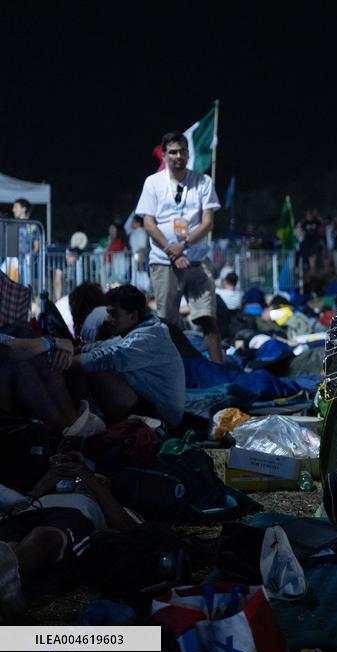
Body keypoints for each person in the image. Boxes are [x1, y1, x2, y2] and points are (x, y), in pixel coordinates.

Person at [0, 451, 139, 620]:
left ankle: (9, 592)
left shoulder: (107, 506)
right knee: (7, 548)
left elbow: (132, 530)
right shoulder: (51, 495)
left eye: (99, 481)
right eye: (80, 480)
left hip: (71, 517)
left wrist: (91, 479)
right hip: (29, 514)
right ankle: (9, 590)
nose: (83, 482)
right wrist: (46, 481)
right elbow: (19, 507)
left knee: (42, 537)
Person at [136, 131, 224, 364]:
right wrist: (172, 251)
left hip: (196, 260)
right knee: (168, 323)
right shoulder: (153, 182)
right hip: (164, 262)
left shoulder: (203, 181)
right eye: (173, 152)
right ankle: (173, 370)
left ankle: (220, 370)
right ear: (164, 155)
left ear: (188, 153)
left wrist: (183, 246)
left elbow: (207, 222)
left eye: (182, 151)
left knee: (208, 318)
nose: (178, 156)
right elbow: (149, 223)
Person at [73, 284, 185, 427]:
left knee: (95, 369)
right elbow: (105, 346)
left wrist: (70, 361)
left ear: (133, 316)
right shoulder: (138, 331)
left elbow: (106, 357)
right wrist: (75, 350)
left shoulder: (147, 338)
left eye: (114, 314)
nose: (108, 319)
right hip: (148, 404)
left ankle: (75, 423)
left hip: (161, 418)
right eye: (108, 313)